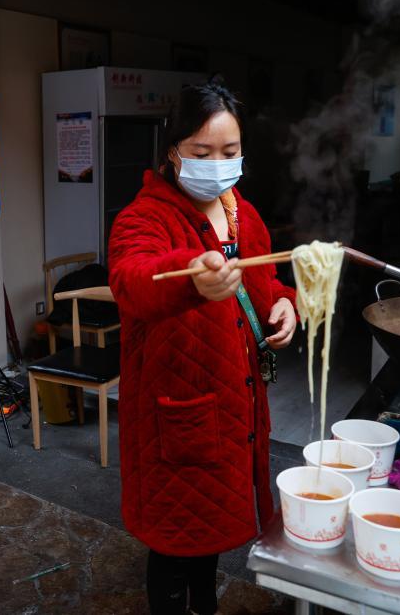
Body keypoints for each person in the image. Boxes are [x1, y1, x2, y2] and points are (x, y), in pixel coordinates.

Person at [107, 79, 298, 615]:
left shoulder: (243, 213)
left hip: (234, 406)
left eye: (230, 152)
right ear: (173, 153)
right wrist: (190, 276)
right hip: (177, 412)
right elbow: (132, 277)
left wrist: (285, 305)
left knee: (208, 533)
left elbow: (266, 288)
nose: (218, 163)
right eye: (202, 152)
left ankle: (205, 608)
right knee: (175, 539)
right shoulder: (143, 219)